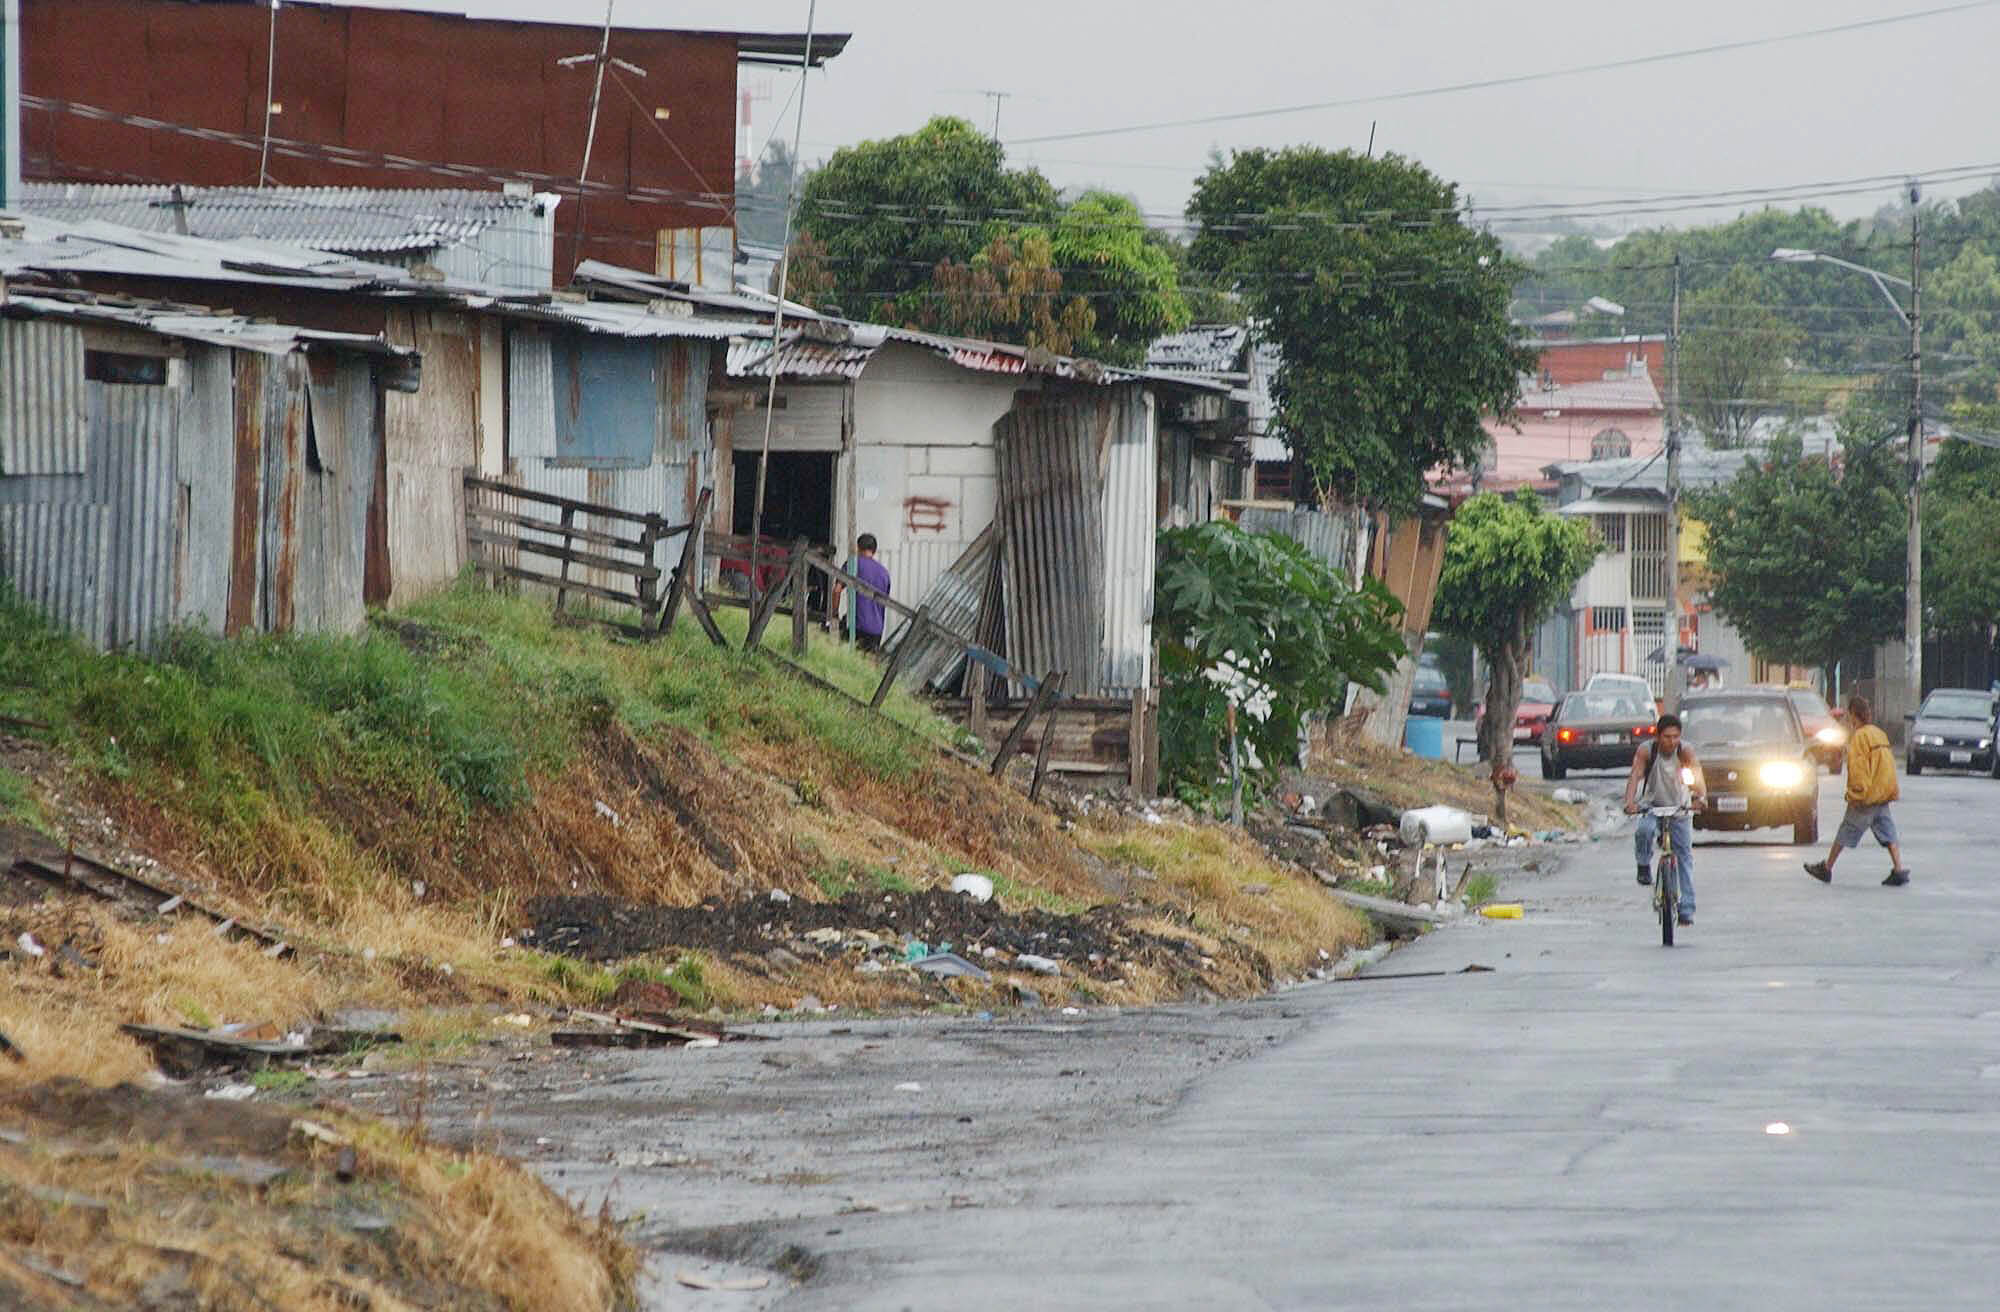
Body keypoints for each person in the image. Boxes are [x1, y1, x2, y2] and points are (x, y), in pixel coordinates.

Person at [1805, 695, 1908, 887]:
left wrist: (1856, 793)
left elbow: (1858, 769)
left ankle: (1826, 868)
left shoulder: (1859, 737)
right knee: (1888, 831)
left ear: (1854, 715)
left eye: (1849, 715)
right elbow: (1887, 764)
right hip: (1881, 793)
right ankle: (1899, 869)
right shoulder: (1878, 733)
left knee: (1846, 830)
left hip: (1866, 796)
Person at [1623, 713, 1707, 926]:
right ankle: (1643, 864)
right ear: (1658, 736)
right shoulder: (1646, 751)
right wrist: (1630, 802)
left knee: (1684, 856)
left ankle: (1686, 909)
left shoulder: (1684, 751)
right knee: (1644, 832)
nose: (1672, 741)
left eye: (1676, 736)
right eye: (1667, 737)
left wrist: (1701, 798)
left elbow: (1696, 776)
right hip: (1652, 806)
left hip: (1680, 808)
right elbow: (1635, 775)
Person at [837, 533, 891, 654]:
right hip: (876, 629)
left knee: (847, 662)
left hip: (857, 626)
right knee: (867, 667)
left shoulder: (852, 563)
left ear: (857, 547)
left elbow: (837, 590)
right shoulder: (884, 573)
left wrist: (834, 613)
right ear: (875, 550)